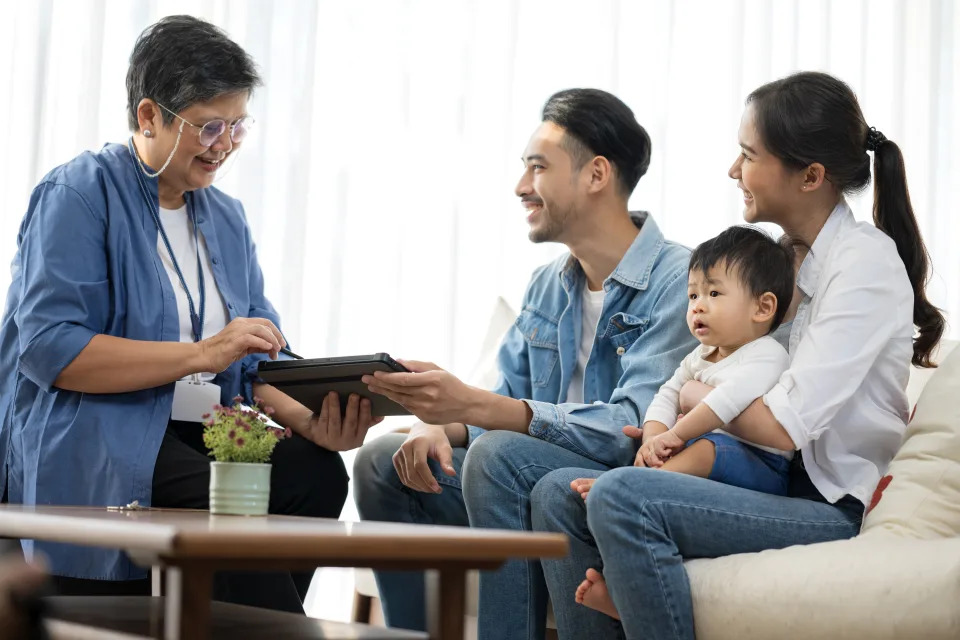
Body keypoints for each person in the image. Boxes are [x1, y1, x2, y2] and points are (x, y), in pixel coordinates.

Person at [531, 70, 945, 640]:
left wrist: (693, 394)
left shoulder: (864, 266)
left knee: (625, 497)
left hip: (827, 503)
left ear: (811, 176)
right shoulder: (778, 263)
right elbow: (723, 367)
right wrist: (670, 410)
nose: (734, 171)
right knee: (556, 492)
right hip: (758, 479)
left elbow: (778, 429)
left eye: (748, 156)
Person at [0, 15, 380, 613]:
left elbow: (254, 358)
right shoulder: (79, 193)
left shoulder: (226, 218)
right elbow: (52, 348)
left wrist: (311, 419)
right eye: (210, 127)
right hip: (102, 429)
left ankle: (234, 624)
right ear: (149, 116)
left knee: (316, 473)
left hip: (202, 433)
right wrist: (202, 355)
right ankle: (268, 627)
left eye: (237, 125)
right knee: (223, 504)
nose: (225, 144)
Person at [352, 88, 696, 638]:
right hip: (512, 476)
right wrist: (443, 421)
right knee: (382, 460)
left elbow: (631, 429)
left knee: (497, 455)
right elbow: (504, 393)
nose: (520, 187)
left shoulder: (679, 280)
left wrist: (475, 410)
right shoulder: (549, 282)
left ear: (596, 174)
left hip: (608, 487)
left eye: (538, 168)